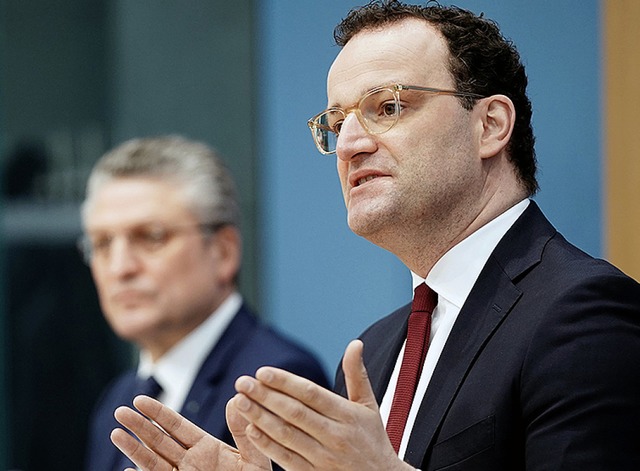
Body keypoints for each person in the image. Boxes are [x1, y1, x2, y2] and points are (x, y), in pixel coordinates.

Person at [110, 2, 640, 470]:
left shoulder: (583, 312)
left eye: (387, 107)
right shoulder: (381, 348)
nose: (349, 145)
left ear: (490, 125)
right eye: (336, 123)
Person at [81, 135, 329, 470]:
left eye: (151, 236)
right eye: (103, 243)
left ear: (223, 252)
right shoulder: (117, 399)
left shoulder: (274, 379)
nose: (120, 267)